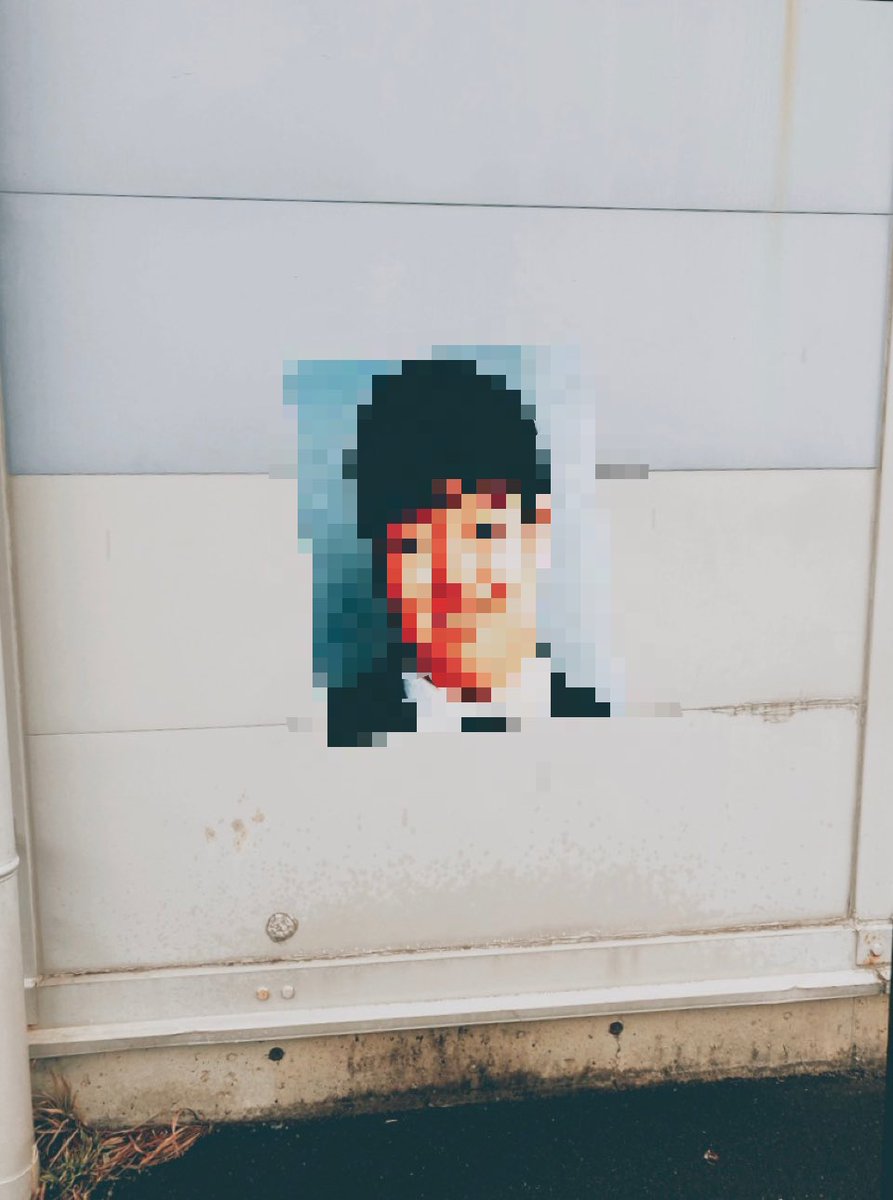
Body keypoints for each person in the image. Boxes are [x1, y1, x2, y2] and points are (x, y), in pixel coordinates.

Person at [325, 358, 609, 746]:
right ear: (381, 563)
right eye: (415, 545)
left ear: (538, 530)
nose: (456, 575)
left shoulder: (603, 730)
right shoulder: (342, 732)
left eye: (483, 531)